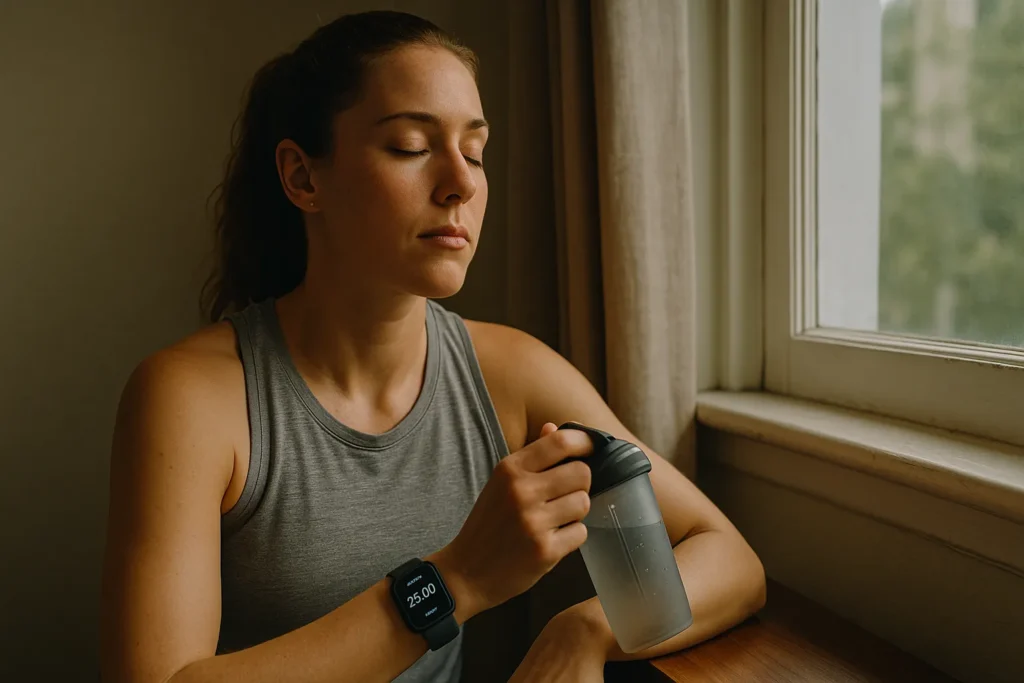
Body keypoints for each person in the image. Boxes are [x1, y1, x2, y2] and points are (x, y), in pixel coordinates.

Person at [99, 10, 765, 683]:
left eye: (474, 152)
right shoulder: (189, 398)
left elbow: (727, 555)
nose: (462, 183)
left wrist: (587, 629)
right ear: (303, 177)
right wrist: (457, 580)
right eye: (411, 147)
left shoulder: (511, 375)